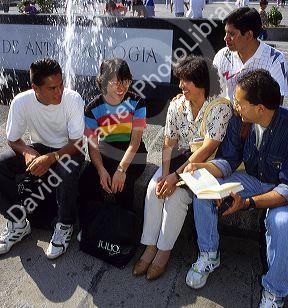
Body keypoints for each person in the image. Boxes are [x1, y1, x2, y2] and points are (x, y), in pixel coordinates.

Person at [184, 70, 288, 308]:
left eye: (240, 103)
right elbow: (229, 160)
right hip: (250, 178)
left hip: (280, 191)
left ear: (260, 108)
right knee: (205, 193)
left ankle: (274, 290)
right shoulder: (239, 122)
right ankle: (209, 254)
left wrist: (249, 203)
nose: (235, 106)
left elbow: (286, 189)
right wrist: (205, 167)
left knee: (282, 224)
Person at [133, 55, 232, 280]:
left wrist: (174, 178)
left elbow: (207, 149)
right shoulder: (178, 104)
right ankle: (149, 247)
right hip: (181, 160)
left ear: (202, 82)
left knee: (176, 196)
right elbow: (169, 142)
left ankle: (164, 252)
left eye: (187, 80)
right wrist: (165, 174)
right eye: (181, 80)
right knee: (153, 188)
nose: (181, 86)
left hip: (207, 166)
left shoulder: (220, 108)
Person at [0, 59, 85, 259]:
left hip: (68, 149)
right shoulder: (21, 102)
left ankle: (64, 224)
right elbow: (13, 140)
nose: (59, 91)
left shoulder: (73, 99)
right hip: (38, 147)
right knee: (1, 166)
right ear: (35, 88)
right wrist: (27, 152)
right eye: (52, 88)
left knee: (67, 168)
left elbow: (78, 144)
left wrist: (51, 158)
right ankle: (17, 222)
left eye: (61, 84)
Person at [79, 59, 147, 224]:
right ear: (103, 81)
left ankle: (125, 228)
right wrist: (101, 169)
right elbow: (93, 145)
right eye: (116, 82)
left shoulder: (137, 103)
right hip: (106, 150)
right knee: (88, 179)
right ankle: (91, 225)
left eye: (125, 81)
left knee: (123, 185)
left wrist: (121, 170)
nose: (121, 87)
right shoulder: (92, 107)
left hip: (133, 154)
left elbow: (135, 142)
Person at [213, 7, 288, 102]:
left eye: (231, 34)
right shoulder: (222, 55)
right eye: (226, 33)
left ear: (248, 35)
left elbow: (275, 105)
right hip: (224, 114)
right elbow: (212, 91)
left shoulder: (275, 59)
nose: (225, 38)